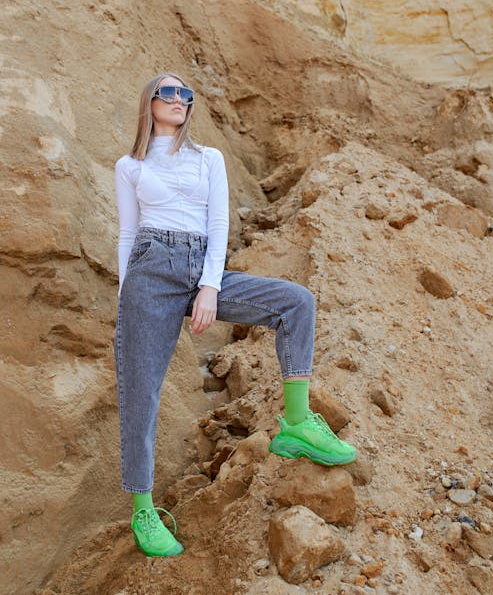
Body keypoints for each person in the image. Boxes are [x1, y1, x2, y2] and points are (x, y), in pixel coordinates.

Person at [114, 72, 357, 558]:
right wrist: (128, 302)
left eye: (186, 94)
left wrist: (209, 286)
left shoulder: (209, 158)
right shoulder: (130, 165)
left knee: (296, 302)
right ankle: (142, 510)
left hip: (201, 266)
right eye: (169, 92)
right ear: (150, 102)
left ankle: (294, 425)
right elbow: (127, 235)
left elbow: (218, 222)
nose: (180, 99)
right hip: (149, 273)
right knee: (140, 390)